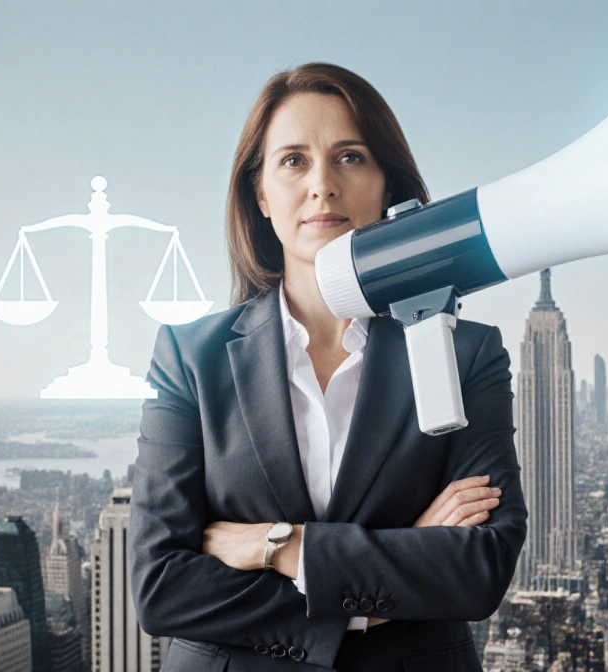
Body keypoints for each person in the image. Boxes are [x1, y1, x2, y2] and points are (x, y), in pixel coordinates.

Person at [128, 62, 527, 672]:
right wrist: (393, 573)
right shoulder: (190, 357)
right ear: (259, 193)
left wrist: (280, 547)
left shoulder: (465, 352)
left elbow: (479, 570)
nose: (323, 185)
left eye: (350, 157)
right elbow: (160, 587)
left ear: (388, 184)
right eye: (293, 161)